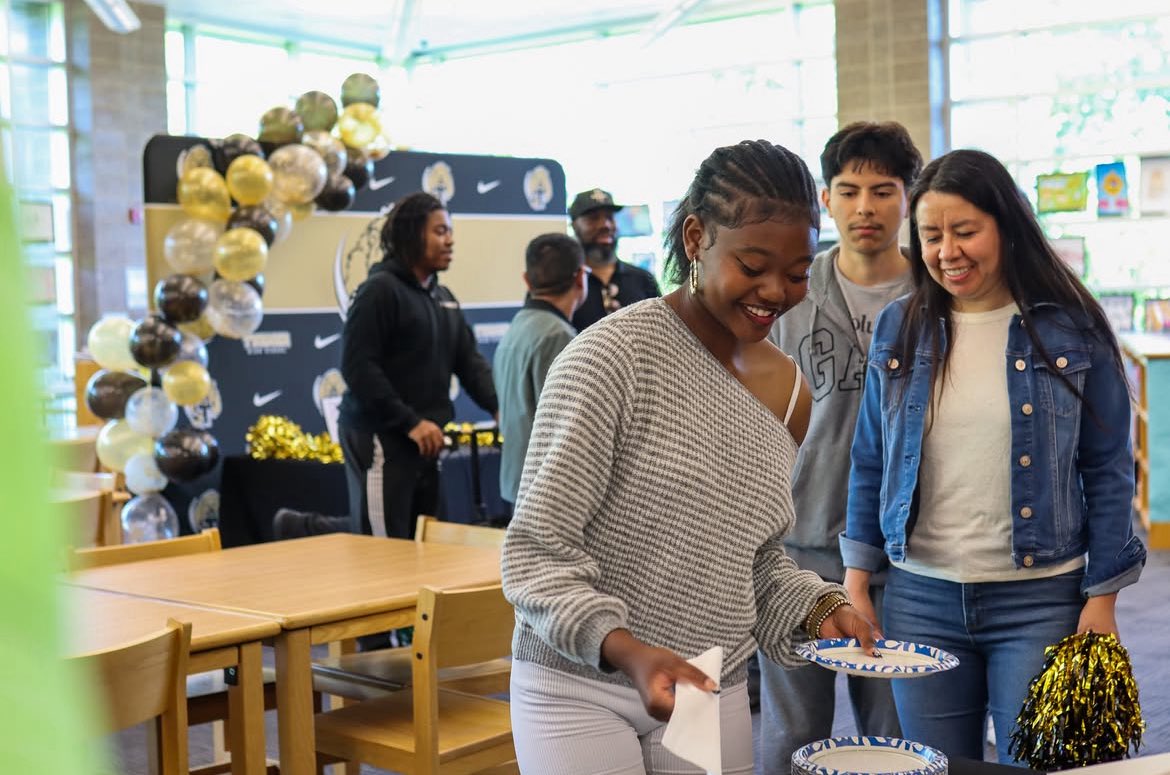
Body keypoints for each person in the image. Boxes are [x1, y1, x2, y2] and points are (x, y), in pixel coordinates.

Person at [501, 140, 879, 775]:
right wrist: (625, 649)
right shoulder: (607, 360)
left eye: (794, 274)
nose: (774, 293)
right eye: (753, 266)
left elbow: (750, 559)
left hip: (708, 684)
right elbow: (536, 555)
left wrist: (818, 606)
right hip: (578, 686)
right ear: (697, 237)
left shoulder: (791, 394)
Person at [841, 149, 1147, 763]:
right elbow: (870, 457)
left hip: (1039, 599)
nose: (947, 251)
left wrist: (1102, 598)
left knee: (1038, 763)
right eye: (931, 235)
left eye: (965, 231)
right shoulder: (901, 327)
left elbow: (1108, 469)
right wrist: (856, 579)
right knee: (935, 764)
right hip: (920, 596)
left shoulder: (1073, 327)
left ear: (1006, 226)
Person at [758, 121, 920, 772]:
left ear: (907, 197)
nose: (865, 208)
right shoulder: (786, 294)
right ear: (825, 199)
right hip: (797, 547)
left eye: (883, 190)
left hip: (907, 555)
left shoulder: (933, 294)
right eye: (849, 190)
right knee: (792, 731)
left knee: (894, 733)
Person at [338, 191, 498, 540]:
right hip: (383, 436)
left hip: (426, 443)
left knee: (423, 547)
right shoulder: (379, 291)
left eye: (450, 231)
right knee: (382, 549)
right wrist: (410, 422)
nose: (450, 240)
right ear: (411, 235)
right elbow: (358, 368)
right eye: (440, 231)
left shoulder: (444, 299)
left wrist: (499, 406)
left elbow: (470, 364)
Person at [493, 233, 588, 509]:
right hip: (549, 492)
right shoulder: (557, 336)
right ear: (581, 277)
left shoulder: (518, 327)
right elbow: (569, 430)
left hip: (520, 484)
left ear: (527, 280)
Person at [568, 187, 660, 331]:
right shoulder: (566, 282)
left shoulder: (642, 279)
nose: (605, 225)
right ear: (574, 226)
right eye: (593, 218)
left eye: (609, 217)